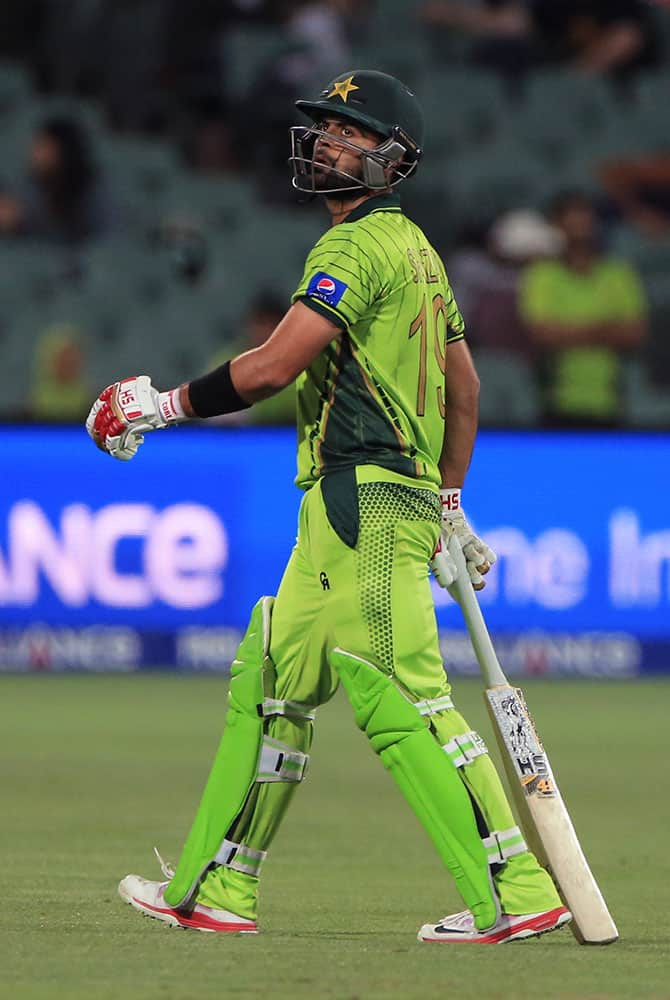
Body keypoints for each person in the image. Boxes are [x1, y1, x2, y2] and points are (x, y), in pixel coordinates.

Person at [85, 70, 569, 943]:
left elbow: (274, 366)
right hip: (351, 506)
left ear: (392, 159)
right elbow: (466, 387)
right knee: (271, 682)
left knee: (405, 697)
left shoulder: (353, 249)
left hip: (366, 502)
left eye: (348, 133)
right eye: (324, 129)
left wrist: (161, 406)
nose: (325, 143)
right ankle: (217, 889)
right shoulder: (421, 253)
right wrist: (450, 499)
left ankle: (516, 888)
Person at [519, 190, 648, 427]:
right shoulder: (541, 275)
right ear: (557, 227)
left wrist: (566, 331)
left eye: (584, 223)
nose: (578, 231)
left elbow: (634, 333)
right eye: (571, 224)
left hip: (612, 399)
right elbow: (540, 334)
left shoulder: (619, 275)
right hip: (554, 400)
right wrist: (605, 330)